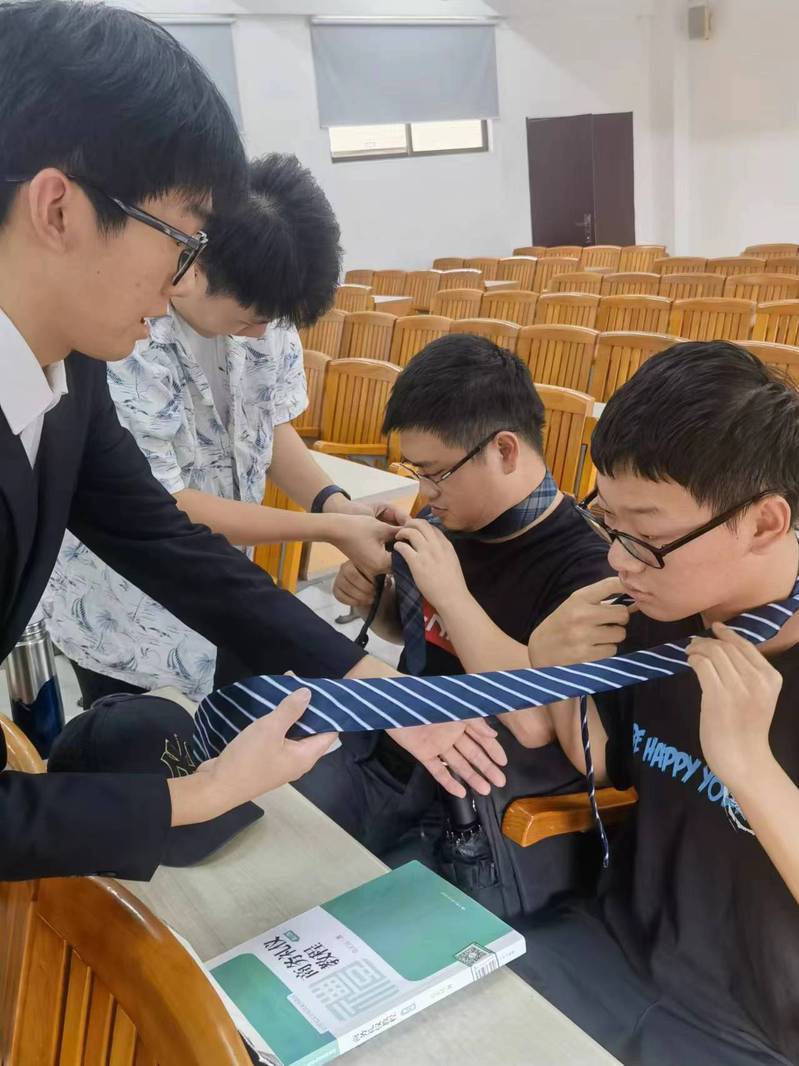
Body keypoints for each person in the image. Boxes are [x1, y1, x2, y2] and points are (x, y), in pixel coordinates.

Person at [0, 0, 503, 882]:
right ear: (58, 209)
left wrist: (367, 682)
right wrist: (191, 799)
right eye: (179, 238)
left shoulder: (69, 371)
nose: (181, 279)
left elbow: (162, 538)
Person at [514, 341, 799, 1065]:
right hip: (612, 948)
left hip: (753, 1027)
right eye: (609, 523)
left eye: (647, 535)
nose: (618, 558)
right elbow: (608, 760)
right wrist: (557, 668)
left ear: (765, 522)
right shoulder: (657, 608)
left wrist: (750, 769)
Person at [45, 153, 396, 706]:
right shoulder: (127, 333)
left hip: (228, 591)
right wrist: (326, 529)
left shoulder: (267, 312)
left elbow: (267, 426)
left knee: (234, 736)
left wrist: (334, 504)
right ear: (198, 264)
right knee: (143, 743)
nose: (259, 333)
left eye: (272, 321)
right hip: (127, 614)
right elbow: (159, 509)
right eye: (249, 317)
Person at [295, 335, 612, 916]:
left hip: (477, 817)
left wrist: (450, 592)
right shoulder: (457, 515)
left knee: (320, 898)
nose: (426, 493)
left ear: (505, 450)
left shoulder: (589, 568)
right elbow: (426, 639)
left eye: (436, 473)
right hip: (397, 760)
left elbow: (538, 724)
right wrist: (379, 603)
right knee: (272, 822)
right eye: (416, 472)